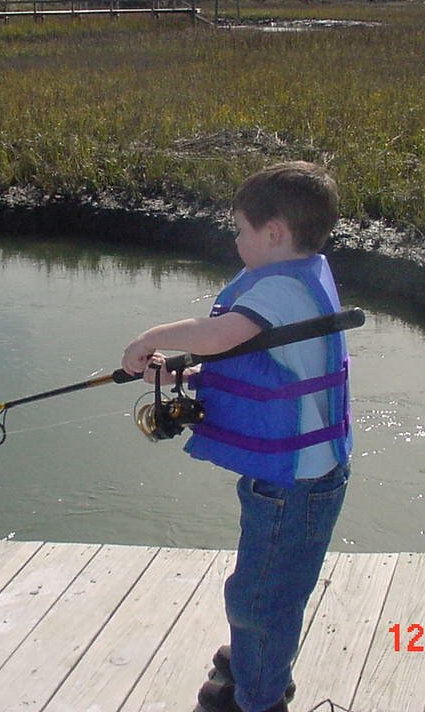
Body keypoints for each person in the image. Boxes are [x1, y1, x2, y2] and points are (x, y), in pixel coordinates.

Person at [121, 161, 352, 712]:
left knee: (261, 595)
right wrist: (177, 376)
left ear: (273, 233)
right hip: (291, 478)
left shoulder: (280, 291)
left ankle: (259, 698)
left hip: (294, 485)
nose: (234, 239)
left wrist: (150, 337)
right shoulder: (299, 277)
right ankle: (252, 665)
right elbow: (250, 361)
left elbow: (221, 334)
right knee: (266, 586)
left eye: (240, 229)